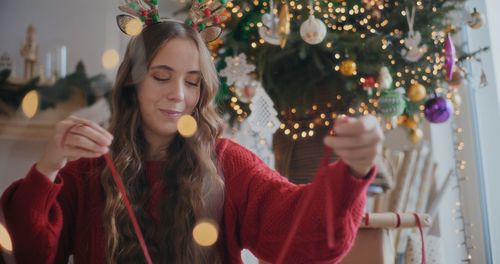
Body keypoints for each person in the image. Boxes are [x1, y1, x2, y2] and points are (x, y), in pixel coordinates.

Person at [1, 21, 384, 264]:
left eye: (192, 81)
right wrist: (48, 166)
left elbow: (307, 242)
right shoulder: (89, 170)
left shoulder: (228, 164)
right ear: (134, 82)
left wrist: (354, 171)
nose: (178, 96)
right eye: (162, 76)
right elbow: (30, 253)